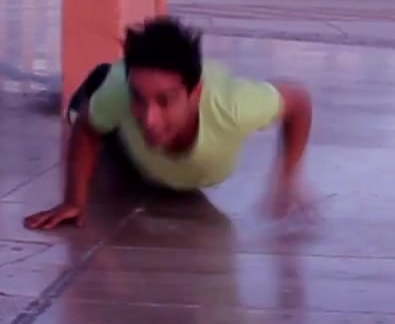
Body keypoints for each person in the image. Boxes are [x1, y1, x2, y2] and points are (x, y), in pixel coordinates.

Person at [23, 17, 315, 230]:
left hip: (162, 162)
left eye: (165, 101)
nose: (149, 119)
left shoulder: (232, 105)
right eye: (139, 99)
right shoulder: (119, 92)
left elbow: (298, 102)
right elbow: (86, 131)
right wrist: (73, 201)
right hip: (120, 132)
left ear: (195, 93)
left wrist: (288, 177)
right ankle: (101, 79)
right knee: (93, 110)